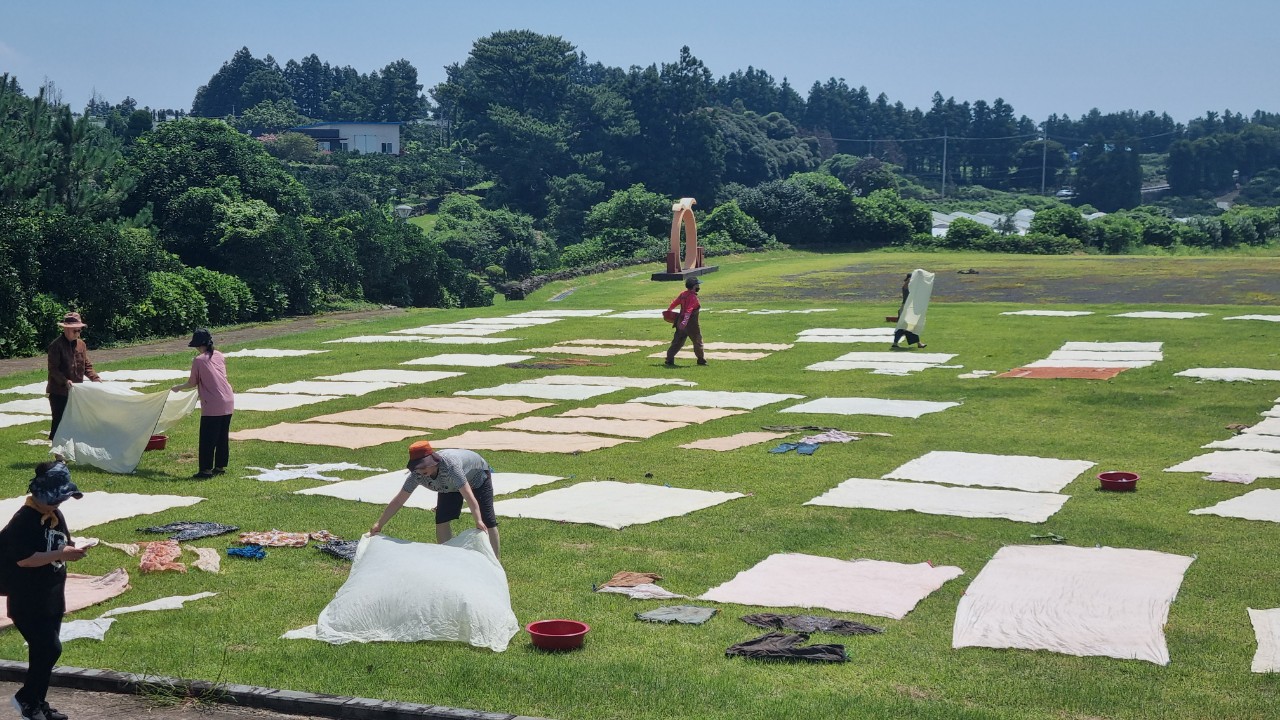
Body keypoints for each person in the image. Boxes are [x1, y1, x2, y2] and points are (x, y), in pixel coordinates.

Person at [0, 460, 88, 720]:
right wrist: (60, 554)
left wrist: (74, 549)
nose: (59, 504)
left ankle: (38, 702)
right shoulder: (23, 521)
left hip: (51, 595)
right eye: (56, 499)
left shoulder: (55, 515)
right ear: (39, 495)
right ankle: (27, 699)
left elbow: (62, 543)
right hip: (27, 599)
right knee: (50, 648)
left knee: (45, 653)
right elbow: (25, 559)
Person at [370, 441, 501, 559]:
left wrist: (478, 520)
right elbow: (399, 500)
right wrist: (379, 524)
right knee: (442, 520)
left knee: (487, 520)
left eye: (424, 466)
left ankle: (495, 562)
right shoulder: (417, 475)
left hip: (477, 476)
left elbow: (468, 495)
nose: (421, 471)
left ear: (434, 462)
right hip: (447, 486)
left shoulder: (451, 467)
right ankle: (448, 558)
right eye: (417, 467)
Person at [170, 329, 234, 479]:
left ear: (199, 345)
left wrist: (178, 388)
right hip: (228, 400)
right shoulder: (219, 355)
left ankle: (205, 470)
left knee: (207, 438)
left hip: (213, 403)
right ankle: (220, 466)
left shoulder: (199, 360)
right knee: (222, 436)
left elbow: (192, 382)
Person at [45, 312, 101, 438]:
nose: (77, 333)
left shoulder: (81, 345)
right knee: (59, 421)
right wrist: (65, 381)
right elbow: (53, 369)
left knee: (75, 421)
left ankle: (71, 451)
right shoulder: (56, 345)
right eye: (74, 330)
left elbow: (87, 365)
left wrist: (95, 378)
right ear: (66, 329)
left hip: (76, 391)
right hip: (59, 392)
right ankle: (59, 456)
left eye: (79, 330)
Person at [664, 275, 707, 367]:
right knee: (697, 341)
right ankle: (701, 360)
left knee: (677, 342)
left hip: (680, 321)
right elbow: (689, 311)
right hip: (691, 324)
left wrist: (669, 310)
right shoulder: (693, 298)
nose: (699, 287)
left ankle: (669, 359)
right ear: (694, 286)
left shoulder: (683, 294)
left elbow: (674, 303)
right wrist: (685, 322)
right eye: (697, 285)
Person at [892, 270, 933, 349]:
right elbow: (906, 287)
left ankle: (897, 343)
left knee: (909, 327)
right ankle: (918, 343)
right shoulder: (906, 286)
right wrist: (909, 280)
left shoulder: (913, 288)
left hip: (909, 310)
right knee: (905, 327)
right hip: (905, 309)